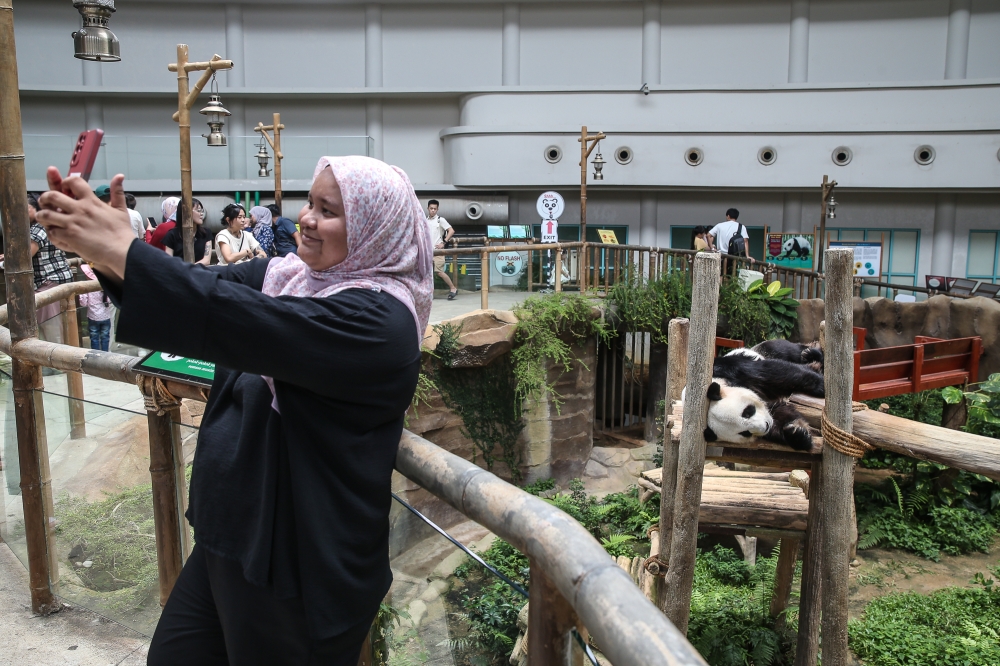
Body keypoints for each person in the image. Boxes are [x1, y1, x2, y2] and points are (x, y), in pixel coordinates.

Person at [35, 154, 430, 665]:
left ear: (377, 228)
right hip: (228, 539)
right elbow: (203, 291)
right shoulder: (288, 274)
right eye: (310, 203)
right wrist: (104, 252)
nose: (307, 218)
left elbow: (235, 317)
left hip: (296, 570)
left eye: (329, 211)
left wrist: (121, 248)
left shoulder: (377, 322)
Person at [0, 193, 76, 344]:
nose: (20, 214)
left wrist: (4, 263)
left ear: (35, 209)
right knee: (56, 327)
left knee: (51, 329)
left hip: (48, 282)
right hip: (56, 281)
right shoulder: (45, 225)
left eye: (25, 209)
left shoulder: (38, 228)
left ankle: (56, 357)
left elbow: (25, 256)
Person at [162, 198, 212, 265]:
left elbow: (206, 260)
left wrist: (190, 268)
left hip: (200, 270)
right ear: (186, 212)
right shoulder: (172, 235)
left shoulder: (206, 233)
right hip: (179, 270)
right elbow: (169, 262)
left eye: (202, 211)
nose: (201, 214)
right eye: (198, 210)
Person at [426, 199, 457, 300]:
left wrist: (444, 242)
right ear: (428, 208)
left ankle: (453, 288)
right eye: (431, 208)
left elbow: (451, 231)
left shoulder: (440, 220)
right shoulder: (425, 220)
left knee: (439, 272)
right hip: (427, 251)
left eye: (435, 209)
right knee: (427, 273)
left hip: (438, 251)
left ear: (437, 209)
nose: (433, 210)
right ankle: (428, 293)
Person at [77, 263, 113, 351]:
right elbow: (109, 300)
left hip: (93, 317)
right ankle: (105, 354)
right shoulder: (105, 285)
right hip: (105, 316)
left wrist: (81, 293)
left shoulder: (88, 288)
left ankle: (95, 355)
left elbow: (83, 303)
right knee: (105, 338)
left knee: (94, 338)